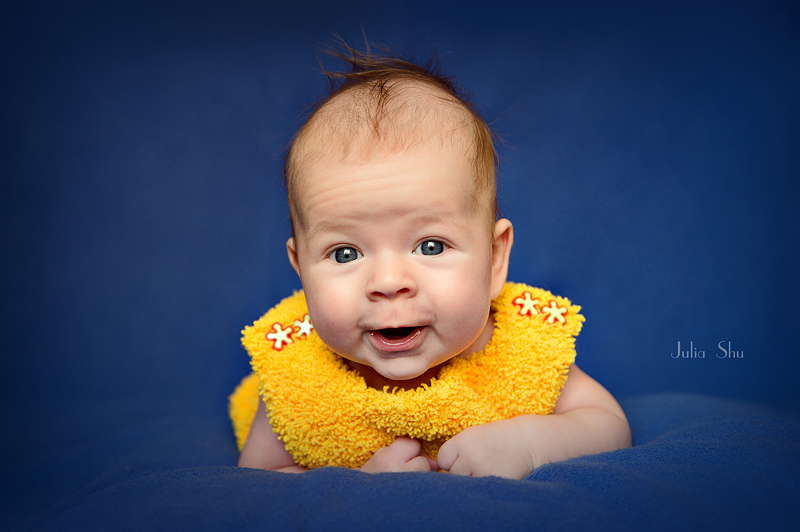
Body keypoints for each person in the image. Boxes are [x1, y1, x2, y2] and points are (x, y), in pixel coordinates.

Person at [229, 41, 631, 479]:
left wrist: (528, 444)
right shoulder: (296, 380)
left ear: (495, 259)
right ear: (301, 270)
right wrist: (356, 480)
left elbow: (608, 425)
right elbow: (257, 481)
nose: (388, 282)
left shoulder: (522, 351)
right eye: (345, 253)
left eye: (431, 246)